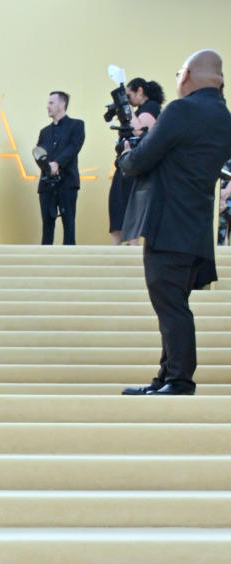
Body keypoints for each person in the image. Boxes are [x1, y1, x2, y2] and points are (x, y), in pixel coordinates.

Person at [118, 49, 231, 395]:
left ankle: (179, 380)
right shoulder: (224, 117)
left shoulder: (182, 110)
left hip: (166, 225)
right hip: (195, 228)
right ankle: (165, 378)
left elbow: (140, 160)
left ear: (188, 76)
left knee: (170, 305)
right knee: (173, 302)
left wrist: (126, 155)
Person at [108, 80, 165, 244]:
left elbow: (140, 131)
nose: (127, 99)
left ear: (140, 91)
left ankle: (133, 253)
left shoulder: (151, 107)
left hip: (138, 168)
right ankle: (115, 257)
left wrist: (126, 107)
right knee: (117, 213)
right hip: (125, 164)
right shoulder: (139, 110)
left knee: (133, 216)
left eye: (128, 95)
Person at [36, 91, 85, 245]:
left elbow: (74, 147)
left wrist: (58, 163)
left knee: (69, 224)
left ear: (62, 104)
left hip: (67, 182)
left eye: (51, 103)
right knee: (47, 227)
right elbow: (39, 153)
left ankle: (71, 265)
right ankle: (44, 264)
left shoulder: (77, 125)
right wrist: (47, 167)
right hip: (46, 184)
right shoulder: (44, 132)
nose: (48, 106)